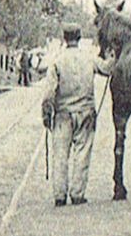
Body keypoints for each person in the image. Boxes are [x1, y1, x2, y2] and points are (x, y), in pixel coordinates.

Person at [41, 23, 101, 207]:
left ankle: (60, 196)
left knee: (60, 155)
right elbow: (108, 68)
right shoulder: (89, 59)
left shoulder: (57, 61)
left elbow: (49, 92)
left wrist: (46, 113)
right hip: (85, 113)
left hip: (62, 114)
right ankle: (77, 194)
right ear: (80, 37)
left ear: (64, 38)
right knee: (82, 153)